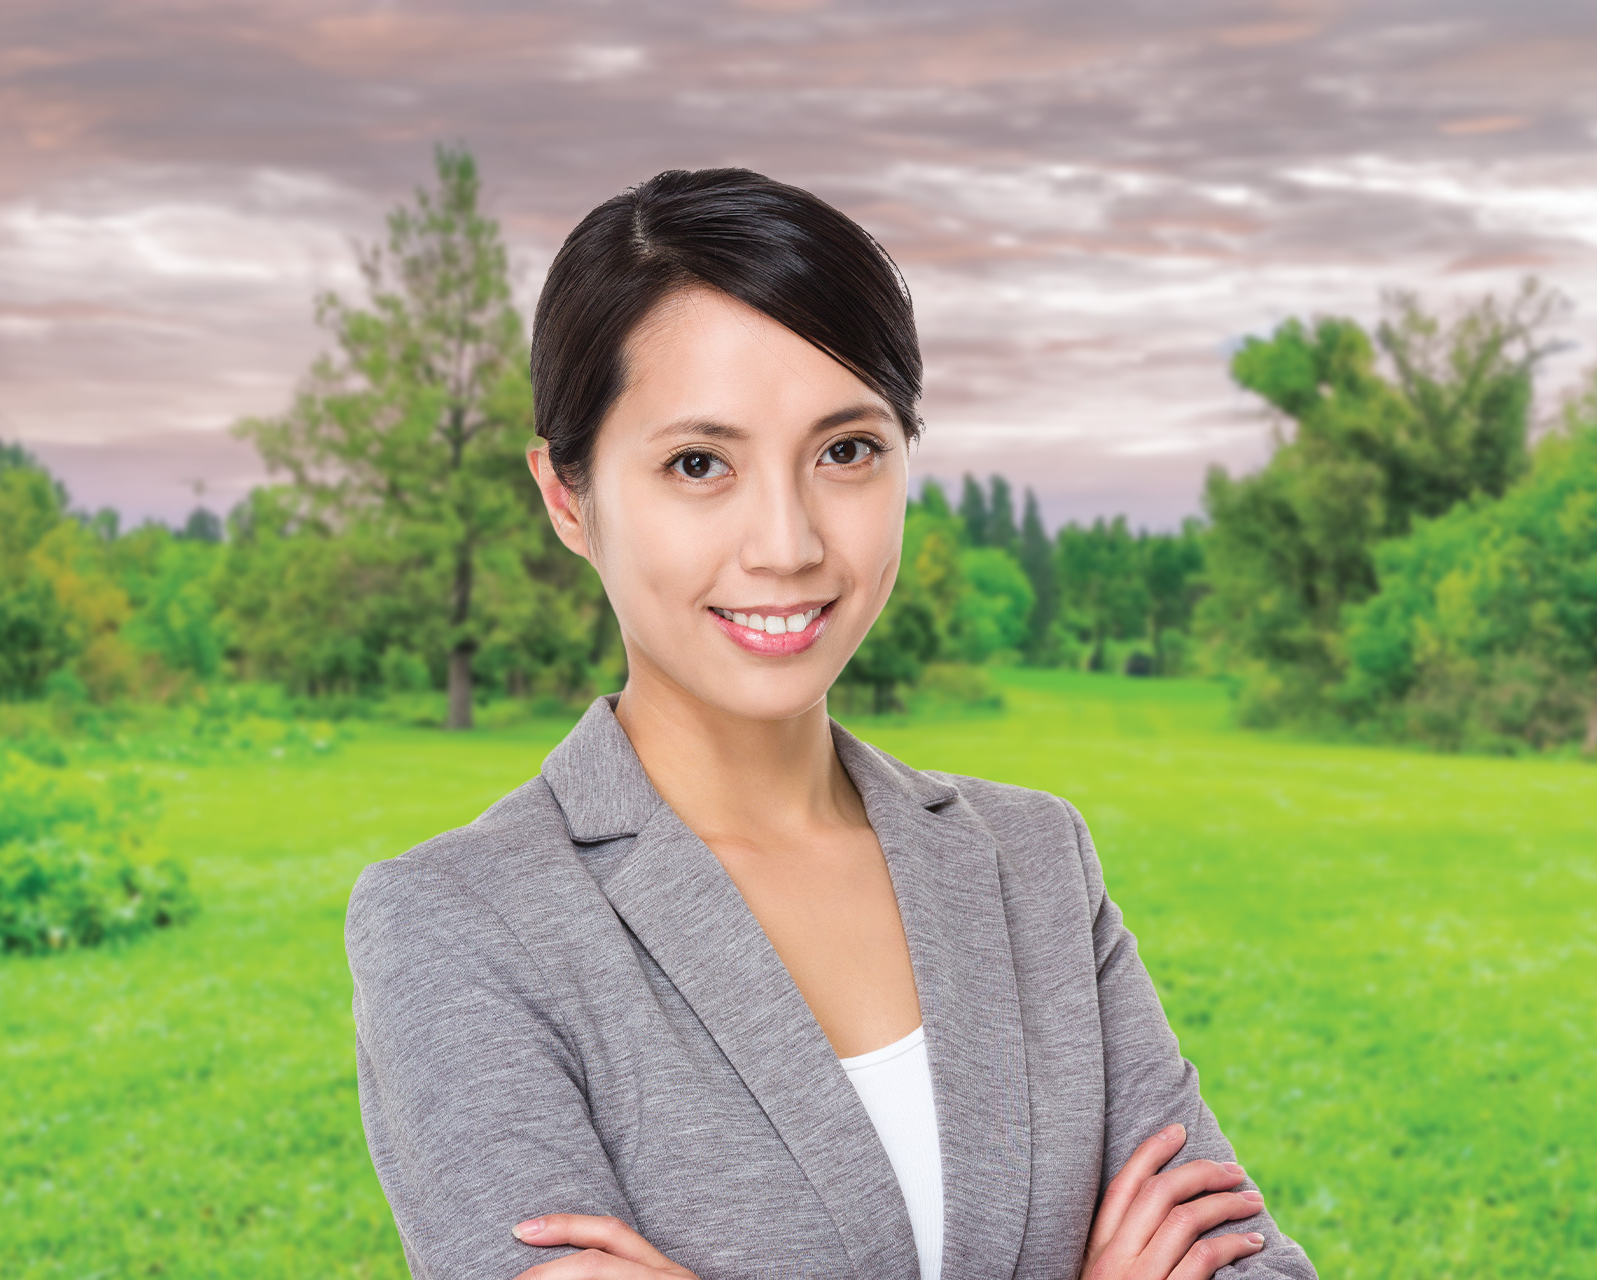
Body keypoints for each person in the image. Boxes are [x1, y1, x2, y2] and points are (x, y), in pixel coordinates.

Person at [345, 168, 1317, 1280]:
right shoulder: (457, 923)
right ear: (570, 498)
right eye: (699, 463)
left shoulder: (1034, 863)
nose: (789, 542)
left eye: (846, 450)